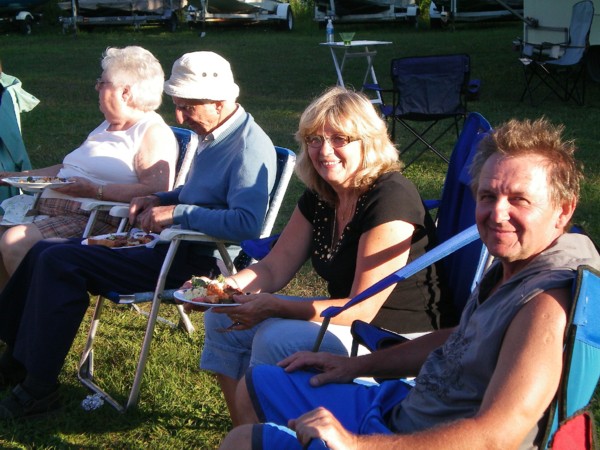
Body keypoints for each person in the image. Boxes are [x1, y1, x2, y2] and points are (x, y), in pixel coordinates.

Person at [219, 117, 600, 450]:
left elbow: (496, 436)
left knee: (242, 442)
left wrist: (356, 444)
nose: (498, 213)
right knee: (258, 384)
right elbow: (461, 336)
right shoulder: (516, 262)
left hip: (425, 434)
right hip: (406, 405)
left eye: (519, 200)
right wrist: (354, 365)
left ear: (563, 209)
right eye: (488, 196)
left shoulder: (546, 304)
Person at [0, 51, 277, 420]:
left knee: (58, 259)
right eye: (176, 106)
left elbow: (246, 224)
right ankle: (17, 360)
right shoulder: (215, 133)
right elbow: (196, 192)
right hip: (162, 244)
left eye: (188, 108)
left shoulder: (247, 147)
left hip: (187, 259)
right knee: (41, 253)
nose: (180, 117)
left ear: (220, 101)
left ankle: (38, 387)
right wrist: (160, 197)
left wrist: (177, 212)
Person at [194, 87, 454, 426]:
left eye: (340, 139)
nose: (324, 151)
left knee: (274, 338)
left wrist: (274, 306)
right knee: (220, 316)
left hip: (393, 334)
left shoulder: (391, 197)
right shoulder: (323, 193)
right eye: (314, 139)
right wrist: (223, 289)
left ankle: (278, 431)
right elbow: (274, 267)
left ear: (369, 142)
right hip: (346, 318)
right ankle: (247, 430)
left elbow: (361, 308)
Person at [0, 46, 179, 289]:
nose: (97, 87)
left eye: (102, 82)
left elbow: (155, 191)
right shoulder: (108, 125)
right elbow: (68, 167)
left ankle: (30, 316)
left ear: (125, 92)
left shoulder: (151, 131)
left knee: (13, 241)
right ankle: (10, 316)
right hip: (55, 208)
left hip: (97, 218)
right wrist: (16, 176)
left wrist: (94, 191)